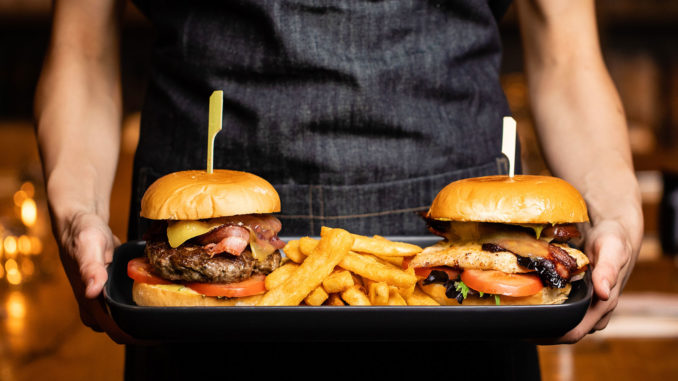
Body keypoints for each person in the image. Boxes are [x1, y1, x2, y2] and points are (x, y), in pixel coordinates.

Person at [35, 0, 642, 379]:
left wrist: (614, 210)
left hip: (463, 302)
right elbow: (81, 46)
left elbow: (567, 56)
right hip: (197, 302)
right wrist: (76, 211)